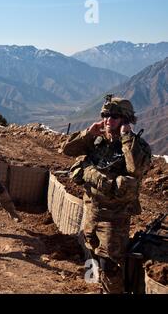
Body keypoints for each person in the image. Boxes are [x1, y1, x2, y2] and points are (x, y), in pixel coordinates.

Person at [62, 96, 151, 294]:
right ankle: (100, 289)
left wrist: (127, 137)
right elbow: (66, 150)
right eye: (105, 115)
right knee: (92, 254)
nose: (108, 119)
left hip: (115, 217)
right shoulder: (96, 140)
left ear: (126, 119)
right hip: (91, 210)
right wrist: (88, 134)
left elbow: (135, 169)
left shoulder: (138, 146)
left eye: (114, 116)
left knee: (110, 264)